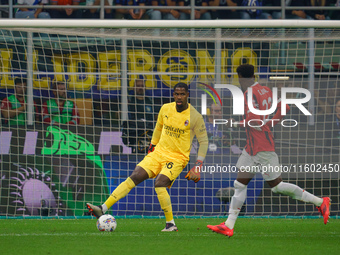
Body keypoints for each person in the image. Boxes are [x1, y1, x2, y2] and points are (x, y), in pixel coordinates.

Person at [207, 64, 331, 237]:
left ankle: (320, 202)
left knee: (277, 186)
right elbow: (284, 108)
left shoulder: (248, 94)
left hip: (262, 147)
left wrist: (235, 123)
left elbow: (254, 121)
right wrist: (270, 124)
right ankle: (228, 225)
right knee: (239, 184)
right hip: (251, 147)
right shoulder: (265, 90)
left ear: (241, 77)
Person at [87, 82, 209, 231]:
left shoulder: (195, 116)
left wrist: (198, 164)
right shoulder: (165, 108)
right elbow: (158, 128)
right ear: (173, 95)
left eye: (182, 94)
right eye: (176, 94)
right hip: (158, 153)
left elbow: (203, 141)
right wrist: (152, 146)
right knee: (135, 176)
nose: (179, 97)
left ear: (187, 95)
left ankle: (170, 224)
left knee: (160, 184)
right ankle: (102, 208)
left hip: (177, 158)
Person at [122, 79, 154, 153]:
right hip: (135, 132)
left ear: (145, 88)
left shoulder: (149, 100)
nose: (140, 88)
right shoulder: (129, 101)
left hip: (149, 132)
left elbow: (155, 115)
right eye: (138, 86)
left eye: (142, 86)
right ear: (134, 88)